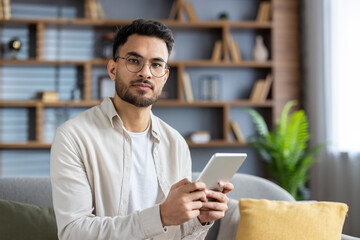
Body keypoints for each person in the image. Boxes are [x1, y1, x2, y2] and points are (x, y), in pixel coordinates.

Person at [50, 18, 233, 240]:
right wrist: (160, 216)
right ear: (113, 69)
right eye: (134, 61)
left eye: (156, 64)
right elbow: (73, 233)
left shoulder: (175, 143)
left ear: (164, 77)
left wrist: (200, 219)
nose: (145, 72)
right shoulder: (73, 137)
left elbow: (179, 235)